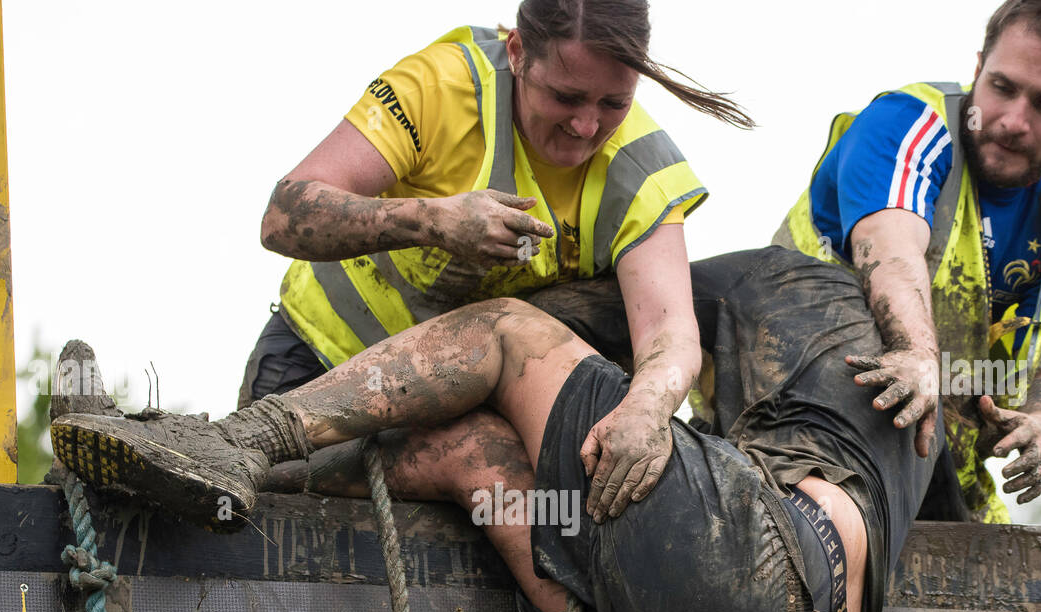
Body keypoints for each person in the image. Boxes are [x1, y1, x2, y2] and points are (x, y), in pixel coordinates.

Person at [52, 244, 937, 612]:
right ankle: (189, 465)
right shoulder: (911, 421)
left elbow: (548, 318)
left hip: (754, 571)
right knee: (468, 457)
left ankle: (241, 439)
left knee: (505, 336)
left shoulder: (796, 284)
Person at [243, 0, 753, 496]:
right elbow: (283, 215)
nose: (586, 126)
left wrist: (649, 404)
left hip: (453, 411)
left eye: (614, 103)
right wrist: (430, 220)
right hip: (313, 368)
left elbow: (669, 329)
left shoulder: (643, 173)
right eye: (566, 97)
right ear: (517, 53)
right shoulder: (440, 88)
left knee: (510, 493)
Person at [773, 0, 1041, 522]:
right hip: (803, 425)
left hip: (948, 479)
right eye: (1002, 87)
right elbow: (890, 250)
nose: (1013, 121)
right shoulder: (908, 124)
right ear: (979, 66)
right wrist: (916, 352)